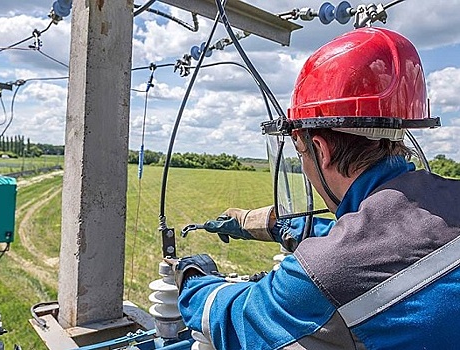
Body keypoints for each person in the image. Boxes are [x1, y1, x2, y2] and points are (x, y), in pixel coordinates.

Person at [169, 27, 460, 350]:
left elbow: (236, 317)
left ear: (321, 150)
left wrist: (194, 277)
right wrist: (278, 225)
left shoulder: (326, 273)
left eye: (302, 153)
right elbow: (388, 235)